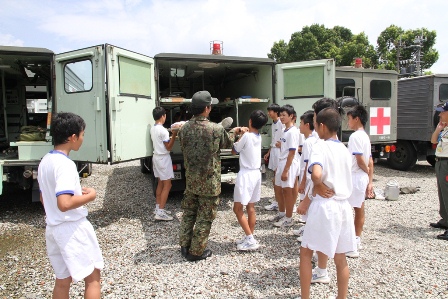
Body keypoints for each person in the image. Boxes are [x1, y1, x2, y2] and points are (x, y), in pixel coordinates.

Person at [38, 112, 103, 299]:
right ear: (73, 137)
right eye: (82, 135)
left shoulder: (45, 161)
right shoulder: (65, 165)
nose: (82, 139)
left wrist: (75, 194)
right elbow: (64, 203)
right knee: (92, 278)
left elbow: (45, 198)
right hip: (72, 229)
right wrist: (91, 196)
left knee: (62, 280)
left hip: (53, 228)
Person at [299, 108, 356, 299]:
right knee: (340, 258)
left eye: (315, 125)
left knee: (306, 252)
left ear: (322, 126)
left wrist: (318, 184)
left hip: (325, 206)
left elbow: (315, 173)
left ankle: (305, 296)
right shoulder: (344, 149)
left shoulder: (319, 147)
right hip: (343, 206)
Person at [178, 90, 242, 261]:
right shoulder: (215, 129)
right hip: (209, 182)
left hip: (191, 180)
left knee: (189, 213)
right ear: (207, 108)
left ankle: (184, 246)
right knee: (205, 217)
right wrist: (234, 131)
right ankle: (196, 252)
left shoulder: (183, 128)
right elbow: (228, 143)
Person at [232, 110, 268, 251]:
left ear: (250, 122)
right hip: (256, 174)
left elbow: (234, 150)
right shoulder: (258, 136)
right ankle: (249, 236)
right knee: (251, 208)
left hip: (246, 174)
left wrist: (238, 134)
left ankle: (250, 239)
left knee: (238, 208)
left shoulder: (246, 136)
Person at [345, 105, 374, 257]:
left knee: (350, 210)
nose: (348, 122)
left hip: (356, 175)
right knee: (359, 208)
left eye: (349, 119)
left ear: (357, 119)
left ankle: (352, 243)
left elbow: (360, 159)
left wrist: (367, 171)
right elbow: (370, 160)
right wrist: (370, 179)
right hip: (361, 177)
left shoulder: (355, 136)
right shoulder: (365, 136)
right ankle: (356, 239)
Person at [269, 104, 300, 227]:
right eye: (280, 115)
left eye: (284, 115)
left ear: (291, 116)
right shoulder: (284, 130)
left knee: (287, 190)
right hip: (281, 161)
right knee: (278, 188)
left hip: (289, 163)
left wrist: (286, 170)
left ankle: (289, 217)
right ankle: (282, 213)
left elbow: (292, 152)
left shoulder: (292, 132)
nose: (281, 117)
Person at [150, 107, 177, 221]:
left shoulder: (153, 128)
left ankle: (158, 208)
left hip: (156, 157)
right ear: (163, 116)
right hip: (163, 159)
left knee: (160, 183)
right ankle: (160, 212)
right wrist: (174, 135)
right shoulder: (163, 131)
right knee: (168, 185)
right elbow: (169, 147)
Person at [294, 110, 316, 241]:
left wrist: (302, 183)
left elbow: (307, 163)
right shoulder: (311, 140)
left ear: (307, 125)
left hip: (307, 178)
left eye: (301, 123)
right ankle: (307, 228)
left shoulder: (309, 142)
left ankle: (309, 232)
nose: (299, 126)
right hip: (307, 177)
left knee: (307, 204)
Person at [430, 102, 448, 240]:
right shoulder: (445, 128)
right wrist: (438, 129)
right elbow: (433, 140)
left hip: (447, 162)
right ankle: (445, 220)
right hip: (440, 161)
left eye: (442, 112)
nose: (440, 114)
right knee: (442, 193)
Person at [264, 103, 283, 212]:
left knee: (278, 176)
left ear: (276, 112)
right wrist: (269, 152)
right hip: (274, 151)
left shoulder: (281, 123)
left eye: (270, 111)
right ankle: (277, 197)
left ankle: (279, 200)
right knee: (275, 175)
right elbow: (273, 140)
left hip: (280, 152)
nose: (268, 113)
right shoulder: (273, 124)